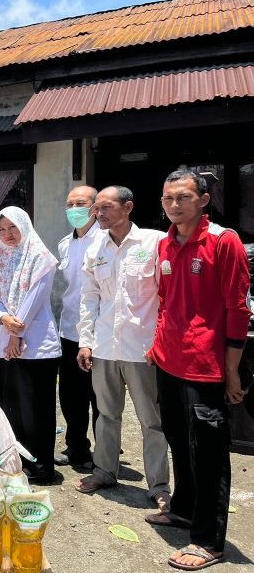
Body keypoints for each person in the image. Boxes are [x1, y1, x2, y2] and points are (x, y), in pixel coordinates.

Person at [145, 171, 251, 571]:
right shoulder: (166, 243)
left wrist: (233, 370)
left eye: (183, 197)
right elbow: (165, 299)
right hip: (168, 359)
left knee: (208, 453)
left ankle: (208, 540)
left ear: (203, 200)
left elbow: (238, 309)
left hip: (205, 365)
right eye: (168, 198)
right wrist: (157, 344)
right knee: (177, 438)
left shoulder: (223, 241)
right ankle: (184, 509)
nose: (174, 205)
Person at [74, 187, 171, 511]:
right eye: (97, 208)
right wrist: (85, 341)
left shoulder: (153, 243)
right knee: (106, 414)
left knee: (151, 420)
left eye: (106, 207)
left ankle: (159, 485)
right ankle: (104, 471)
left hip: (142, 349)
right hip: (104, 346)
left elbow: (167, 296)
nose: (98, 214)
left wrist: (161, 343)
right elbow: (89, 298)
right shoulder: (95, 248)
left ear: (128, 207)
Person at [0, 206, 60, 482]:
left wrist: (16, 333)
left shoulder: (41, 257)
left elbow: (35, 299)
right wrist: (3, 318)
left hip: (36, 346)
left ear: (25, 226)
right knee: (15, 407)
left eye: (13, 228)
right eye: (2, 229)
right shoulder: (2, 256)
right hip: (9, 341)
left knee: (37, 410)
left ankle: (42, 467)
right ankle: (22, 462)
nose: (7, 234)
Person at [54, 186, 100, 469]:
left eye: (80, 204)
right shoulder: (64, 244)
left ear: (95, 207)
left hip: (99, 331)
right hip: (69, 329)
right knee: (71, 394)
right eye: (69, 204)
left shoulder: (106, 240)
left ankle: (105, 453)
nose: (74, 210)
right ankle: (77, 447)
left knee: (100, 397)